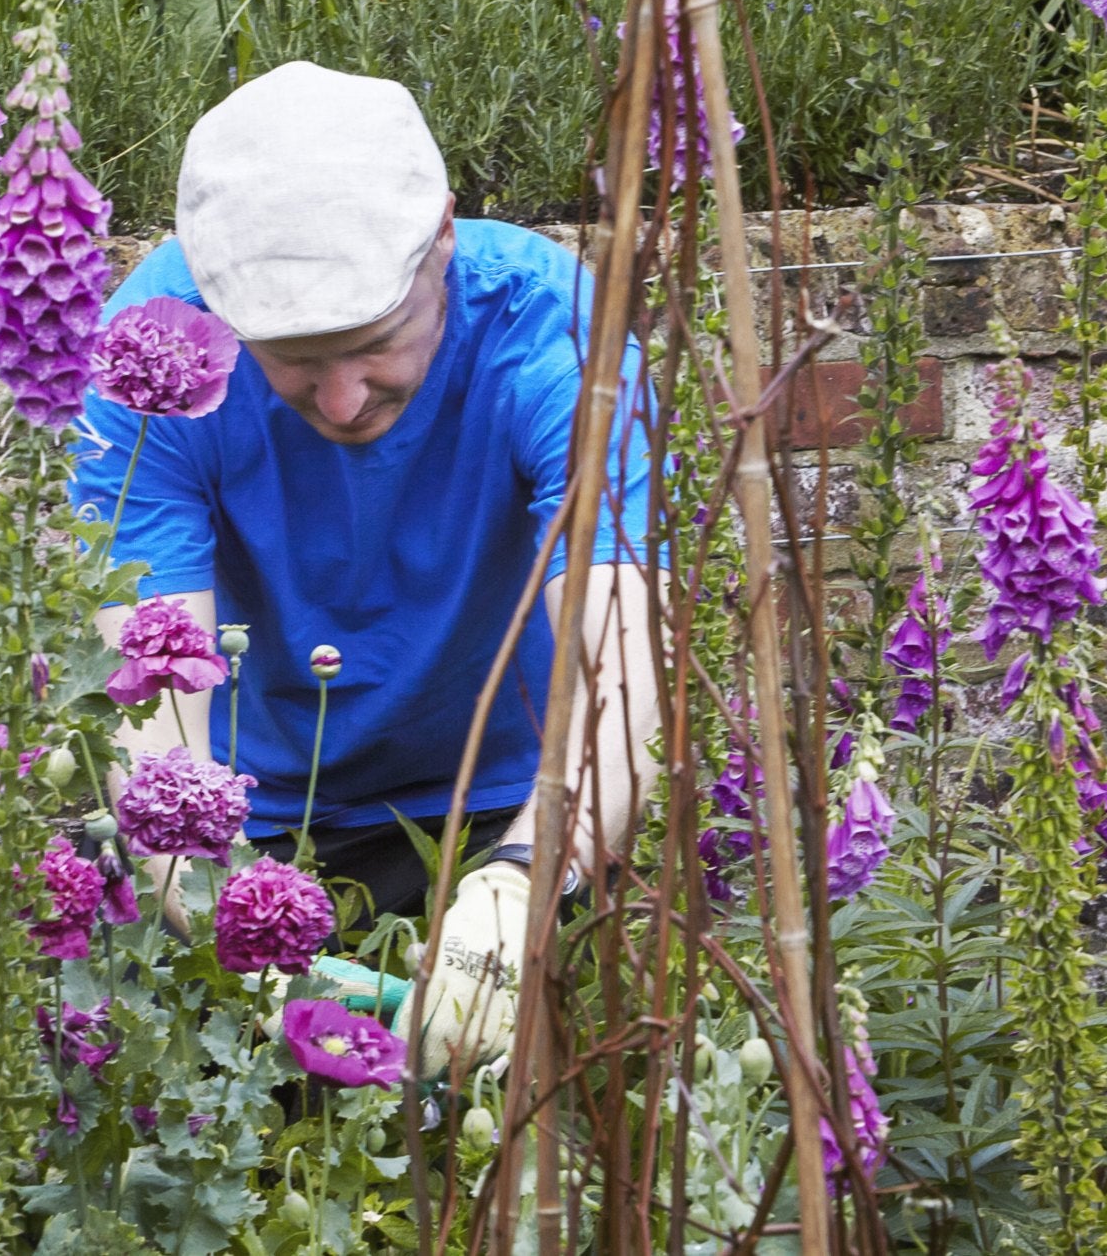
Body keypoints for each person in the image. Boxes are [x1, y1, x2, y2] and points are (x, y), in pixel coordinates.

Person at [70, 60, 664, 1076]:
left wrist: (527, 879)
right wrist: (229, 922)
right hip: (248, 826)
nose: (341, 400)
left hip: (506, 808)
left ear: (441, 238)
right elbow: (147, 719)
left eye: (376, 344)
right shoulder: (154, 358)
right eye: (295, 359)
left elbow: (620, 660)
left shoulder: (552, 335)